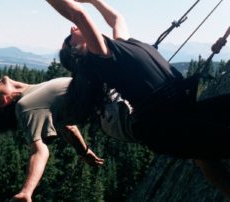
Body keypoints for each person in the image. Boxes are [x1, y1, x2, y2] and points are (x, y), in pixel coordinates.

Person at [46, 0, 230, 197]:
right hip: (167, 125)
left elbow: (117, 18)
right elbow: (79, 15)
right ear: (77, 50)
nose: (73, 29)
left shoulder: (119, 45)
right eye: (70, 36)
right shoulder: (102, 57)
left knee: (205, 153)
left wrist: (93, 1)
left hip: (180, 113)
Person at [0, 76, 104, 202]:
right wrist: (26, 192)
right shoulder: (26, 106)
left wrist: (83, 151)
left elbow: (66, 126)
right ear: (3, 102)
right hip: (115, 104)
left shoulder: (33, 92)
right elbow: (38, 150)